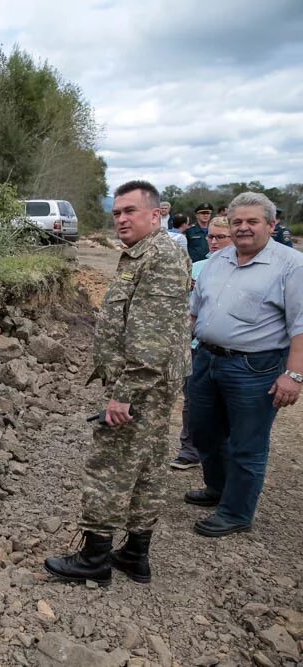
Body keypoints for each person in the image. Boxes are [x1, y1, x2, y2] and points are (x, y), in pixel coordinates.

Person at [44, 181, 191, 585]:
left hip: (142, 387)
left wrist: (123, 396)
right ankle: (134, 554)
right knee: (146, 467)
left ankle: (95, 558)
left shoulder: (158, 257)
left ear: (156, 214)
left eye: (131, 211)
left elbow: (150, 340)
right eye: (117, 212)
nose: (122, 219)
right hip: (151, 386)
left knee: (109, 466)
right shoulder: (146, 254)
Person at [185, 192, 303, 537]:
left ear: (271, 224)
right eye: (237, 222)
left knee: (247, 443)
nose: (243, 228)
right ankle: (218, 489)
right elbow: (195, 311)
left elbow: (301, 325)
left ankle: (236, 512)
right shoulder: (218, 261)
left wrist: (293, 375)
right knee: (203, 430)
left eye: (252, 221)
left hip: (256, 368)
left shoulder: (291, 266)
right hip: (206, 359)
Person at [171, 217, 233, 470]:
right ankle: (190, 448)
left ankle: (224, 454)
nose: (214, 242)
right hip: (195, 346)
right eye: (211, 236)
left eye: (221, 237)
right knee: (193, 400)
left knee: (226, 405)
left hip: (232, 350)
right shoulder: (196, 266)